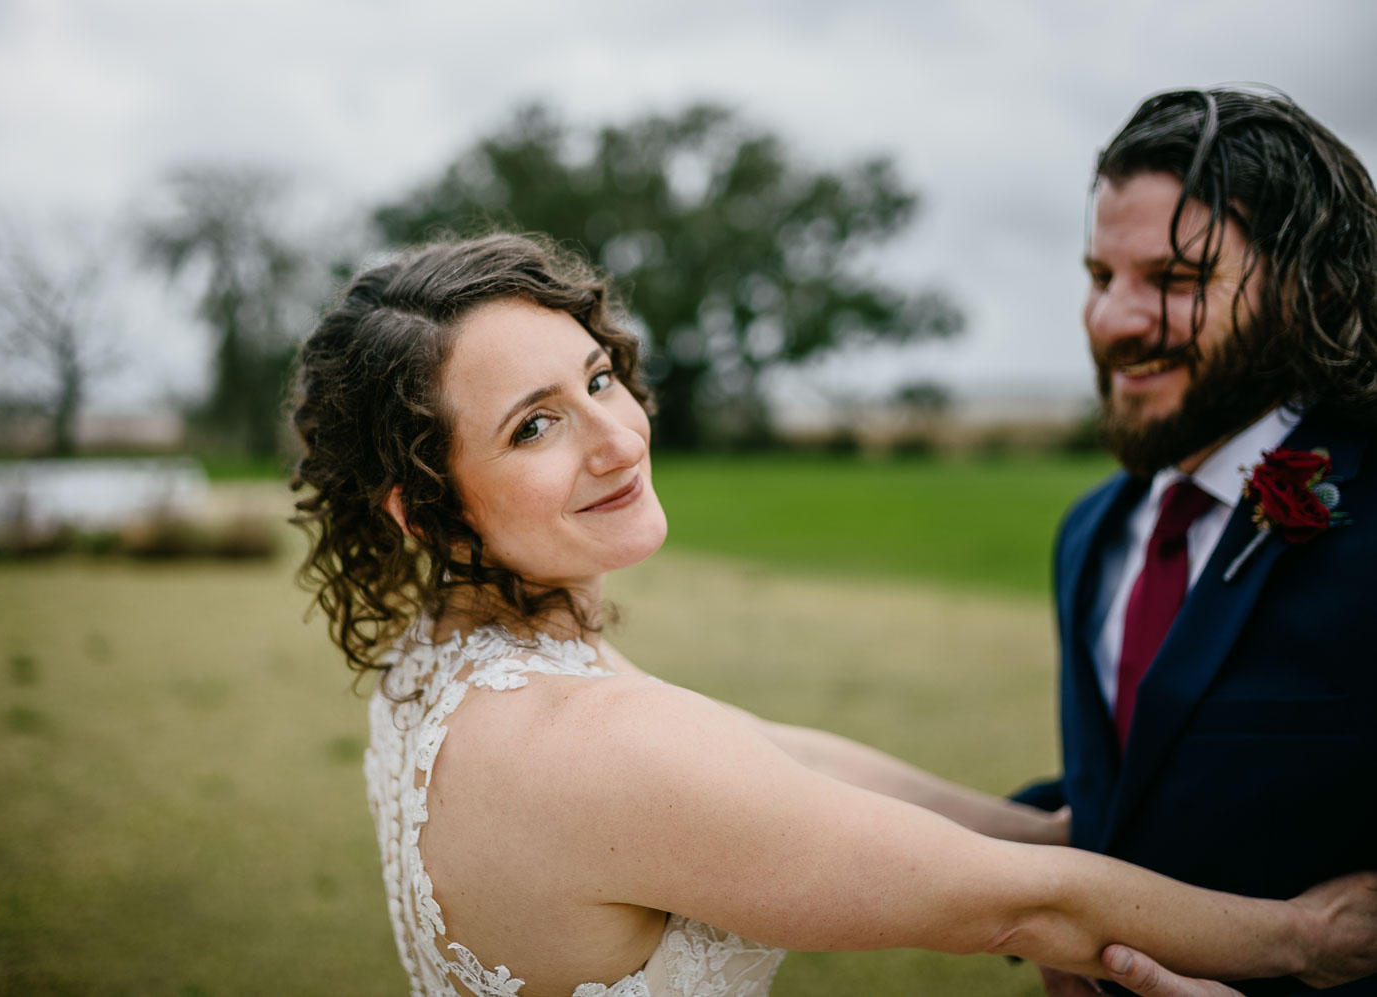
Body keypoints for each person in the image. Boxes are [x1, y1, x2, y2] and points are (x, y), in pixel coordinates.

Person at [290, 233, 1377, 997]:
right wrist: (1304, 935)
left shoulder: (441, 665)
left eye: (598, 378)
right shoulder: (593, 746)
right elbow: (1018, 911)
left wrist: (1046, 824)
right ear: (422, 507)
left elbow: (772, 756)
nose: (617, 437)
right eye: (535, 427)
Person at [1016, 87, 1377, 997]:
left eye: (1174, 282)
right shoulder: (1090, 534)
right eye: (1102, 278)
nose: (1113, 322)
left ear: (1311, 290)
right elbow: (1136, 792)